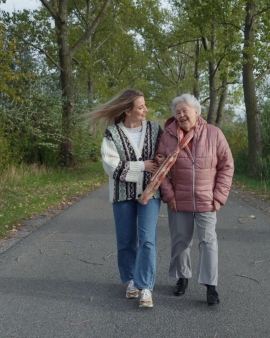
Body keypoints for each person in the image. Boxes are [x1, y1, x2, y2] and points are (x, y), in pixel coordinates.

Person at [154, 93, 234, 306]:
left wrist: (219, 196)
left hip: (207, 200)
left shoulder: (214, 134)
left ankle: (211, 286)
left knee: (208, 241)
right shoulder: (168, 136)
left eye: (185, 111)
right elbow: (160, 168)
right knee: (180, 241)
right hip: (178, 201)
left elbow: (227, 165)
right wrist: (169, 194)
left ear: (196, 112)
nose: (181, 115)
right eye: (178, 112)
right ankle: (182, 278)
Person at [88, 89, 162, 308]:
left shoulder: (154, 129)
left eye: (145, 106)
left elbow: (165, 151)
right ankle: (131, 280)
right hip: (122, 194)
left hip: (151, 192)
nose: (145, 110)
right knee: (126, 240)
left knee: (147, 238)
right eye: (140, 107)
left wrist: (159, 158)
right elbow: (110, 166)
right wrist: (142, 165)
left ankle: (145, 286)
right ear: (127, 110)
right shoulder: (112, 133)